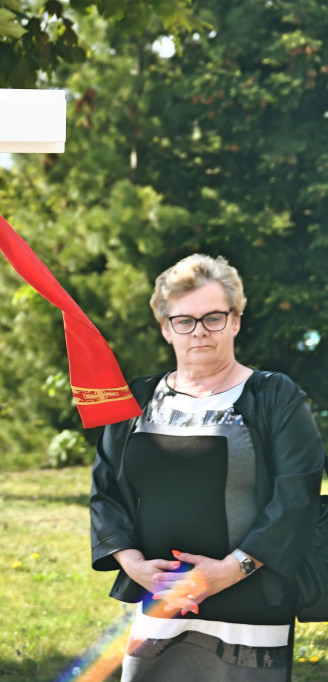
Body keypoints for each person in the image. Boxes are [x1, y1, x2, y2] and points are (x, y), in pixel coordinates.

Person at [89, 254, 325, 681]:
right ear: (166, 328)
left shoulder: (276, 396)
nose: (199, 331)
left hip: (251, 602)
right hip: (161, 598)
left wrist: (228, 571)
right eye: (185, 320)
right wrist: (134, 565)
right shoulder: (134, 399)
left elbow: (297, 494)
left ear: (235, 321)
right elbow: (104, 489)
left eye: (213, 317)